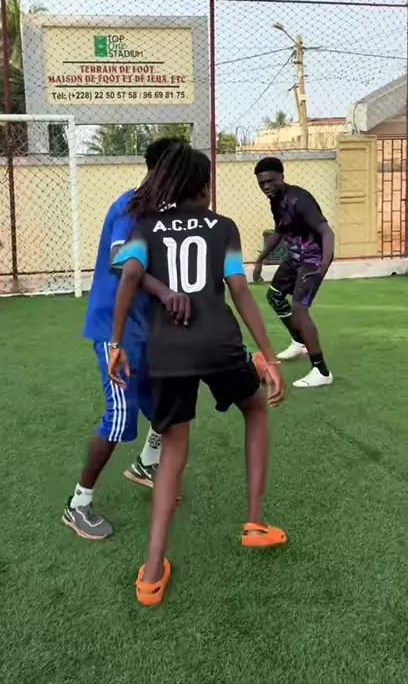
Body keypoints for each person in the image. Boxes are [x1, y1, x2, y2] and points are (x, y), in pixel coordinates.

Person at [108, 143, 286, 606]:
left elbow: (128, 277)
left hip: (167, 352)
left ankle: (151, 573)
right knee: (255, 410)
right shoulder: (222, 226)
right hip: (219, 343)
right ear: (204, 186)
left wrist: (116, 343)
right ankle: (254, 523)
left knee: (173, 450)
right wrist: (269, 356)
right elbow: (239, 289)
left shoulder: (146, 226)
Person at [63, 137, 191, 542]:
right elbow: (121, 262)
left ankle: (146, 463)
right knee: (120, 415)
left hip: (147, 327)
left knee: (164, 401)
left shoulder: (167, 213)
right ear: (163, 172)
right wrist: (165, 292)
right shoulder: (129, 206)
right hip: (113, 328)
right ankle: (78, 504)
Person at [253, 157, 334, 388]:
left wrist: (323, 265)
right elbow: (280, 231)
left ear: (282, 176)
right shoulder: (275, 200)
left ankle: (321, 371)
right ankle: (299, 342)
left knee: (299, 309)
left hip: (314, 258)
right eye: (261, 183)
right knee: (274, 296)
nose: (266, 187)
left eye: (270, 181)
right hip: (295, 256)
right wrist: (260, 259)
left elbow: (327, 232)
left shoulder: (300, 199)